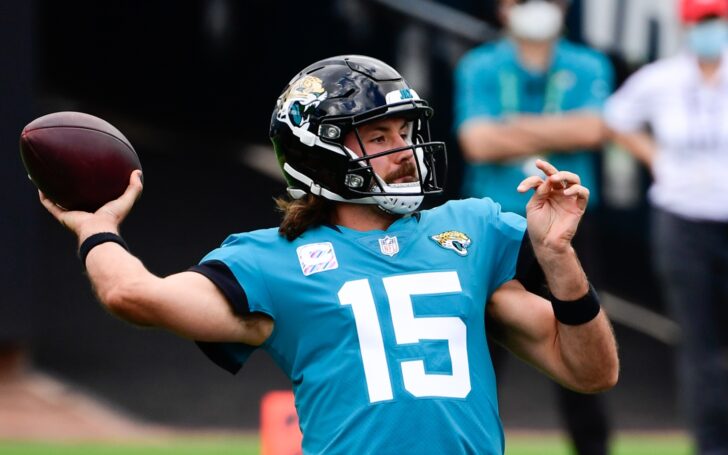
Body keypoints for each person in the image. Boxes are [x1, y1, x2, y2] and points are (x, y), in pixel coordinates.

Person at [38, 55, 618, 454]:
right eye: (381, 136)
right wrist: (98, 228)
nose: (405, 152)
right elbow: (130, 295)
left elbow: (592, 372)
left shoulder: (470, 230)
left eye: (406, 133)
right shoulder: (274, 262)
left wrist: (558, 255)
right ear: (318, 151)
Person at [453, 1, 614, 454]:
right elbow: (477, 142)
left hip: (568, 226)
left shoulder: (588, 62)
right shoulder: (480, 64)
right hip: (492, 228)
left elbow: (592, 130)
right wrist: (555, 130)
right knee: (480, 356)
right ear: (505, 8)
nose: (537, 7)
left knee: (583, 340)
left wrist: (513, 128)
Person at [605, 0, 728, 452]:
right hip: (682, 219)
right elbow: (616, 119)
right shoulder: (662, 79)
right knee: (701, 345)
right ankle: (712, 444)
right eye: (702, 22)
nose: (710, 30)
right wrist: (657, 159)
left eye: (717, 21)